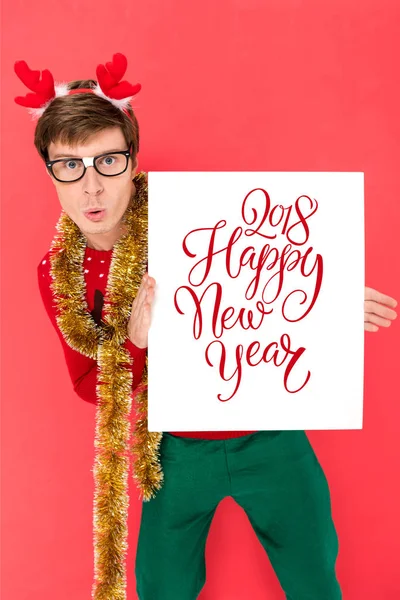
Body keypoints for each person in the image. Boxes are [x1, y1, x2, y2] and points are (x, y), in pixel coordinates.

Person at [15, 53, 398, 600]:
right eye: (70, 165)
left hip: (272, 433)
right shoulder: (60, 274)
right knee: (162, 586)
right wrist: (136, 341)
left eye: (108, 162)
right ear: (50, 170)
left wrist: (324, 308)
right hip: (173, 451)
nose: (92, 187)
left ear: (133, 160)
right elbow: (86, 385)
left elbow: (267, 276)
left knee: (315, 574)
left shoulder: (195, 214)